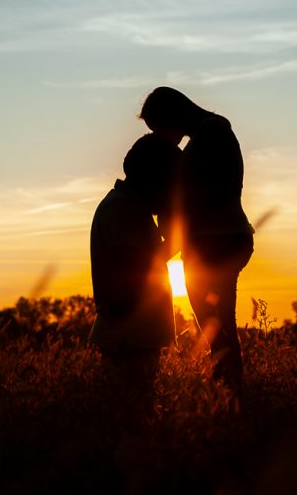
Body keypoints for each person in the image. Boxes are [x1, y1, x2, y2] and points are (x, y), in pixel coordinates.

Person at [139, 87, 253, 396]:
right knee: (219, 326)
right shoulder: (210, 133)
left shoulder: (211, 133)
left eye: (159, 128)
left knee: (216, 329)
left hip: (216, 240)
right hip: (219, 238)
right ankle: (231, 394)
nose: (164, 138)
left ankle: (230, 396)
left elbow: (193, 192)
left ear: (171, 115)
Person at [89, 132, 180, 405]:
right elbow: (135, 269)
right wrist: (177, 240)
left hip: (132, 336)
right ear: (154, 177)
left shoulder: (128, 208)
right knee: (128, 413)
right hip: (129, 339)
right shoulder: (123, 210)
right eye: (170, 182)